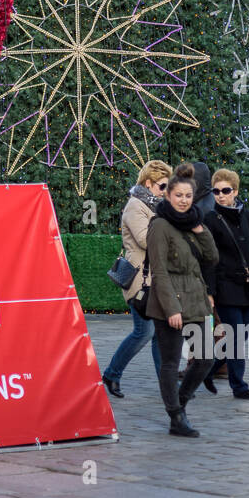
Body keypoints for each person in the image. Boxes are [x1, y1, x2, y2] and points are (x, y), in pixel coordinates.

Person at [146, 167, 219, 437]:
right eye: (178, 195)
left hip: (196, 299)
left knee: (205, 358)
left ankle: (181, 402)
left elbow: (212, 258)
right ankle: (176, 417)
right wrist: (171, 308)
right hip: (171, 303)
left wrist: (200, 230)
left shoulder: (192, 223)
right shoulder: (160, 225)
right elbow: (160, 270)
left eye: (188, 195)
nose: (184, 200)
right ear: (168, 195)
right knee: (171, 362)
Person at [101, 160, 172, 398]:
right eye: (162, 186)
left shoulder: (157, 206)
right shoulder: (136, 206)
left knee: (157, 334)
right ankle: (111, 374)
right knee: (144, 332)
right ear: (149, 183)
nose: (165, 191)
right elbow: (145, 239)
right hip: (141, 281)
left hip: (156, 280)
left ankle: (167, 385)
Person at [204, 169, 249, 400]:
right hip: (225, 287)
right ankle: (239, 386)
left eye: (225, 191)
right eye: (216, 191)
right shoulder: (211, 219)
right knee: (236, 337)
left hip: (246, 286)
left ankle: (206, 371)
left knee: (239, 336)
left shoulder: (246, 215)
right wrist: (210, 291)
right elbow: (208, 259)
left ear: (235, 191)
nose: (220, 195)